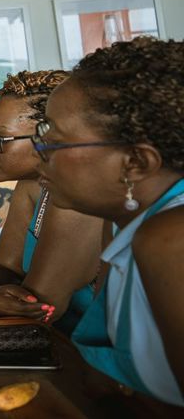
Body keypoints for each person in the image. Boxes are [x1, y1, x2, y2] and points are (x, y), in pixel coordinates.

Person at [33, 37, 183, 407]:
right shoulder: (121, 222)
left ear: (135, 163)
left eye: (54, 142)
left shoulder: (171, 237)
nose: (40, 157)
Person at [0, 71, 104, 332]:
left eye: (0, 138)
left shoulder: (79, 199)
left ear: (50, 137)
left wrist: (0, 298)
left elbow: (42, 306)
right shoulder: (31, 185)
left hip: (91, 359)